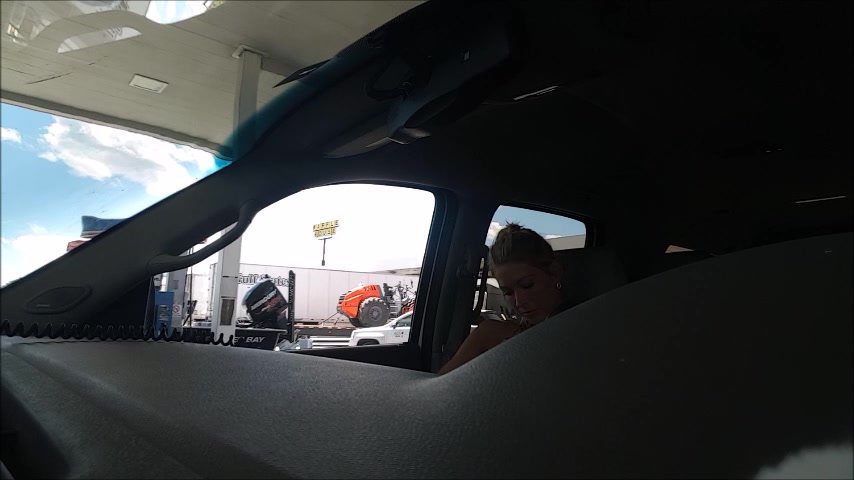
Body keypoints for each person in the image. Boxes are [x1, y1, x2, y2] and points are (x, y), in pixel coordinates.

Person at [438, 223, 572, 374]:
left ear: (554, 272)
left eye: (527, 285)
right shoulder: (489, 334)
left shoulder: (583, 328)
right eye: (508, 292)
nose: (519, 302)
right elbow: (441, 383)